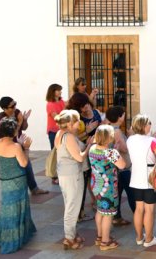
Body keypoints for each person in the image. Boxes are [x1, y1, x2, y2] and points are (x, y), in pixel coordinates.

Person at [0, 118, 36, 253]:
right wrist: (25, 148)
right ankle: (16, 237)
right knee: (18, 207)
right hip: (17, 180)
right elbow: (23, 163)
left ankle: (5, 235)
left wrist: (19, 145)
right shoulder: (15, 147)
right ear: (13, 130)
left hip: (5, 180)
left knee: (7, 208)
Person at [0, 96, 48, 196]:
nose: (14, 107)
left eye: (15, 104)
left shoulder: (17, 112)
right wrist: (20, 120)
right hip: (10, 147)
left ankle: (34, 188)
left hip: (19, 144)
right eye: (11, 106)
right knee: (20, 167)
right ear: (4, 109)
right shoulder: (2, 119)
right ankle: (19, 189)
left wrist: (24, 120)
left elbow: (24, 128)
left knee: (27, 166)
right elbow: (12, 131)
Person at [126, 114, 156, 248]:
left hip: (135, 178)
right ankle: (149, 239)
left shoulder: (130, 139)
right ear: (143, 125)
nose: (150, 125)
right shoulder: (152, 141)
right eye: (149, 123)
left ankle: (139, 237)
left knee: (139, 208)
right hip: (149, 178)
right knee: (149, 210)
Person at [54, 110, 88, 250]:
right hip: (72, 175)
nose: (79, 124)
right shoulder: (68, 136)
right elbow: (79, 157)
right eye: (76, 121)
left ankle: (72, 234)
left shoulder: (60, 133)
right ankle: (69, 238)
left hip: (64, 173)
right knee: (72, 207)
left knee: (70, 204)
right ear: (69, 123)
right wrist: (89, 147)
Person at [89, 124, 126, 251]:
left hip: (96, 185)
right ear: (109, 137)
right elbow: (122, 165)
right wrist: (116, 152)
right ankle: (105, 241)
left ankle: (99, 237)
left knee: (100, 210)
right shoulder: (110, 152)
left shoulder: (93, 148)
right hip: (108, 187)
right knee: (108, 214)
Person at [67, 92, 100, 220]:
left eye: (86, 104)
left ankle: (95, 201)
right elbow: (73, 139)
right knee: (86, 179)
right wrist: (87, 131)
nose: (85, 108)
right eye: (81, 106)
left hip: (96, 150)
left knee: (94, 177)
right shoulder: (78, 120)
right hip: (85, 151)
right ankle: (79, 212)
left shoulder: (95, 112)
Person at [106, 105, 133, 228]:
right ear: (119, 117)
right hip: (122, 168)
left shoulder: (109, 128)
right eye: (123, 114)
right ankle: (139, 217)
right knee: (132, 193)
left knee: (117, 192)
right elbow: (124, 148)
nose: (124, 116)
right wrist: (131, 136)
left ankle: (117, 217)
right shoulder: (116, 131)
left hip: (115, 168)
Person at [46, 83, 66, 150]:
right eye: (58, 90)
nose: (60, 92)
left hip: (62, 129)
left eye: (60, 90)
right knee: (55, 151)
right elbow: (56, 118)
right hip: (53, 131)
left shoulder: (61, 101)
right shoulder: (50, 104)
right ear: (52, 91)